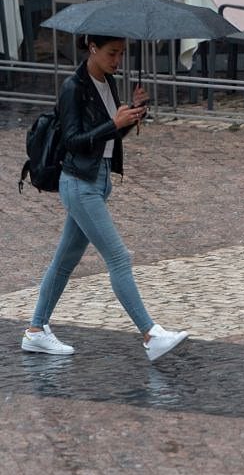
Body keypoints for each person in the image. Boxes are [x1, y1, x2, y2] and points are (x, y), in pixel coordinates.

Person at [21, 35, 188, 362]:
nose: (117, 61)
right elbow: (72, 141)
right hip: (79, 184)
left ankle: (36, 331)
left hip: (98, 181)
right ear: (92, 48)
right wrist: (113, 122)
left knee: (64, 261)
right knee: (119, 258)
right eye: (112, 53)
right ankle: (151, 334)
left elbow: (109, 139)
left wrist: (134, 114)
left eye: (122, 54)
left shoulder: (108, 83)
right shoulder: (73, 88)